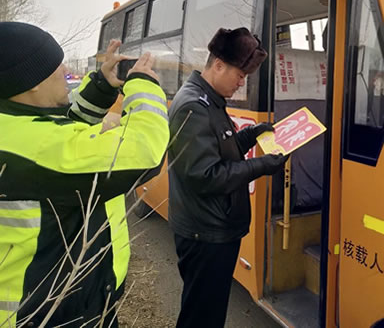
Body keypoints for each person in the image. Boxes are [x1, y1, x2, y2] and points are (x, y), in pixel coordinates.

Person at [0, 22, 169, 327]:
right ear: (31, 82)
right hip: (50, 316)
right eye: (57, 68)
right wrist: (143, 85)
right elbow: (146, 152)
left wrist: (101, 86)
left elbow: (64, 126)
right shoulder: (40, 150)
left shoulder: (13, 129)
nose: (66, 73)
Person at [168, 27, 287, 328]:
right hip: (206, 233)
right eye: (240, 75)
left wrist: (251, 134)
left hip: (211, 226)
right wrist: (262, 166)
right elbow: (206, 176)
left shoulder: (208, 99)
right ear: (218, 65)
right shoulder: (194, 107)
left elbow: (220, 148)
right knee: (202, 317)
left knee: (205, 310)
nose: (241, 82)